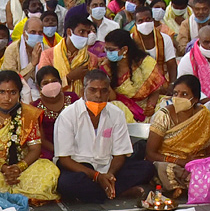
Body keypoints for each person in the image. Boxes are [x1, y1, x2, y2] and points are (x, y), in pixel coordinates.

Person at [54, 70, 155, 202]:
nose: (98, 95)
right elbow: (65, 160)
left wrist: (110, 175)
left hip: (108, 167)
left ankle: (106, 189)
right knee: (67, 183)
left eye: (104, 91)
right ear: (83, 91)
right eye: (93, 90)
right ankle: (116, 191)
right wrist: (97, 176)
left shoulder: (116, 114)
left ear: (109, 92)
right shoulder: (68, 116)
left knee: (147, 168)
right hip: (80, 168)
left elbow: (120, 154)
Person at [0, 71, 59, 202]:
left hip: (22, 167)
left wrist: (18, 167)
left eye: (12, 93)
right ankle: (11, 195)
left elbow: (35, 149)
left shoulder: (28, 114)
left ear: (19, 93)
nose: (7, 98)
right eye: (1, 92)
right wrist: (2, 168)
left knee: (48, 170)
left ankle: (10, 195)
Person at [145, 74, 210, 195]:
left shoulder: (205, 116)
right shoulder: (164, 115)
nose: (178, 98)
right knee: (163, 168)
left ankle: (189, 184)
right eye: (175, 94)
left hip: (198, 165)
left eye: (184, 94)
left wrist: (197, 165)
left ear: (195, 99)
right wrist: (180, 161)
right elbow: (150, 154)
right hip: (171, 164)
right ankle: (198, 184)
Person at [95, 29, 164, 121]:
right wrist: (103, 75)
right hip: (124, 110)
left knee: (166, 109)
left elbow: (155, 89)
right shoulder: (106, 68)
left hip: (149, 105)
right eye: (106, 49)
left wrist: (151, 105)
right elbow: (113, 98)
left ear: (124, 49)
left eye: (111, 49)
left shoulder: (145, 63)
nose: (108, 53)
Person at [40, 6, 95, 96]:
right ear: (69, 32)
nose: (85, 36)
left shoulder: (91, 58)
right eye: (82, 32)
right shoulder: (48, 55)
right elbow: (44, 87)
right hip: (55, 103)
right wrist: (69, 78)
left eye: (88, 33)